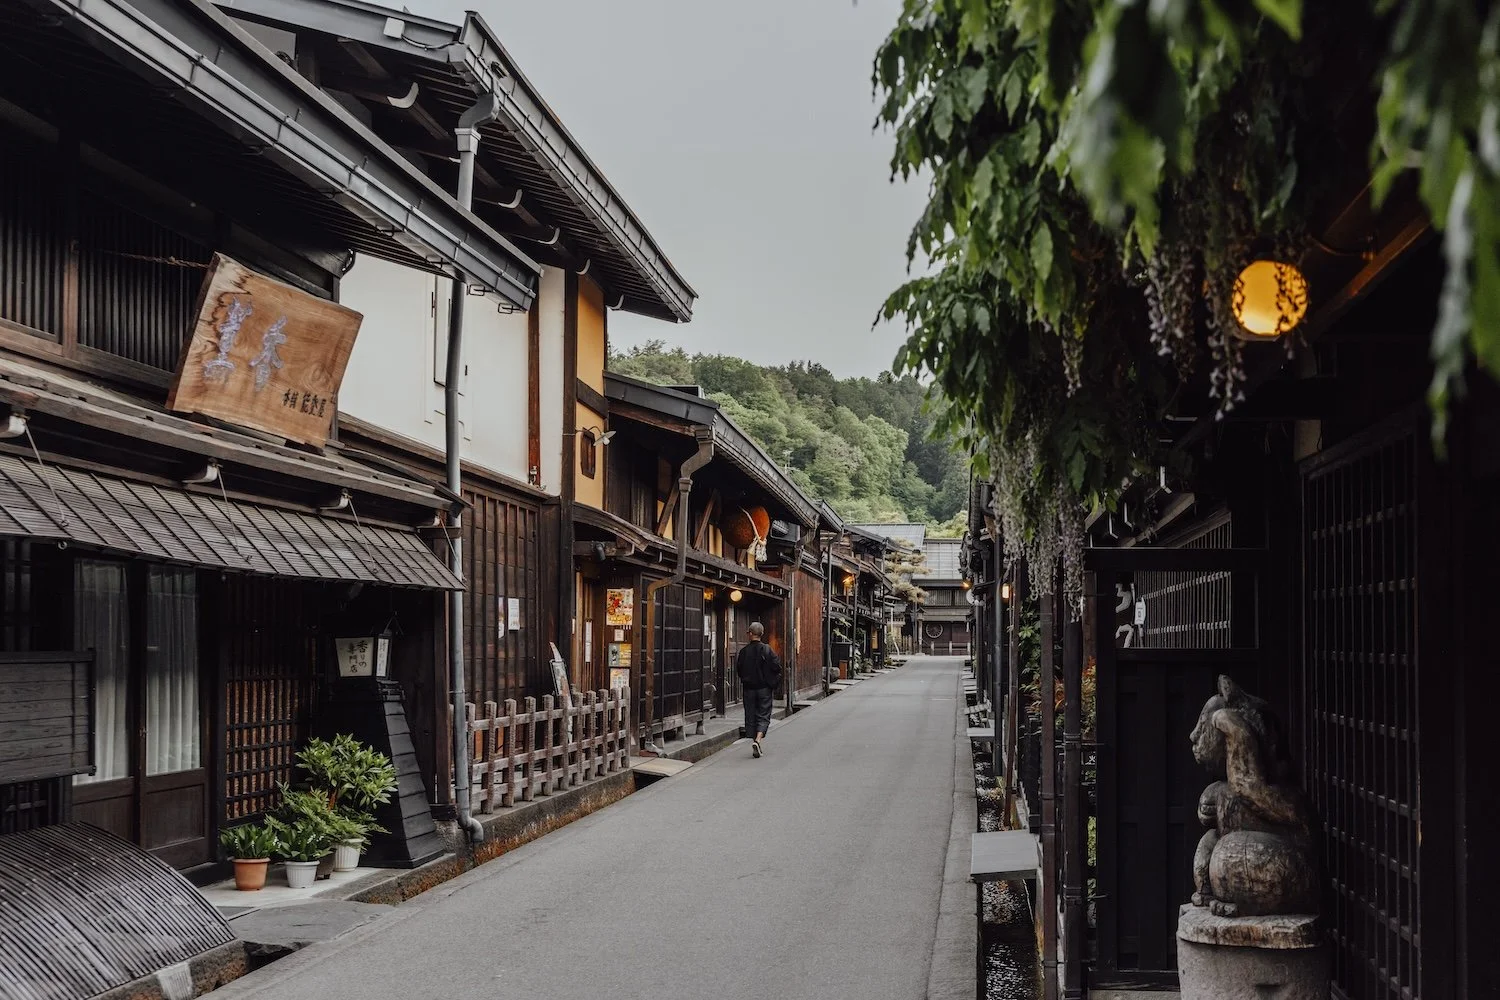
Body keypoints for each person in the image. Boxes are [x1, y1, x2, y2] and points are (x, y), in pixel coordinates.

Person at [735, 621, 782, 758]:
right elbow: (776, 667)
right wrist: (771, 681)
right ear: (761, 634)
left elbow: (739, 670)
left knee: (750, 714)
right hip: (764, 689)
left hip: (749, 689)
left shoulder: (744, 652)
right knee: (763, 714)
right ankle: (758, 739)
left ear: (750, 634)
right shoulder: (767, 650)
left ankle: (754, 738)